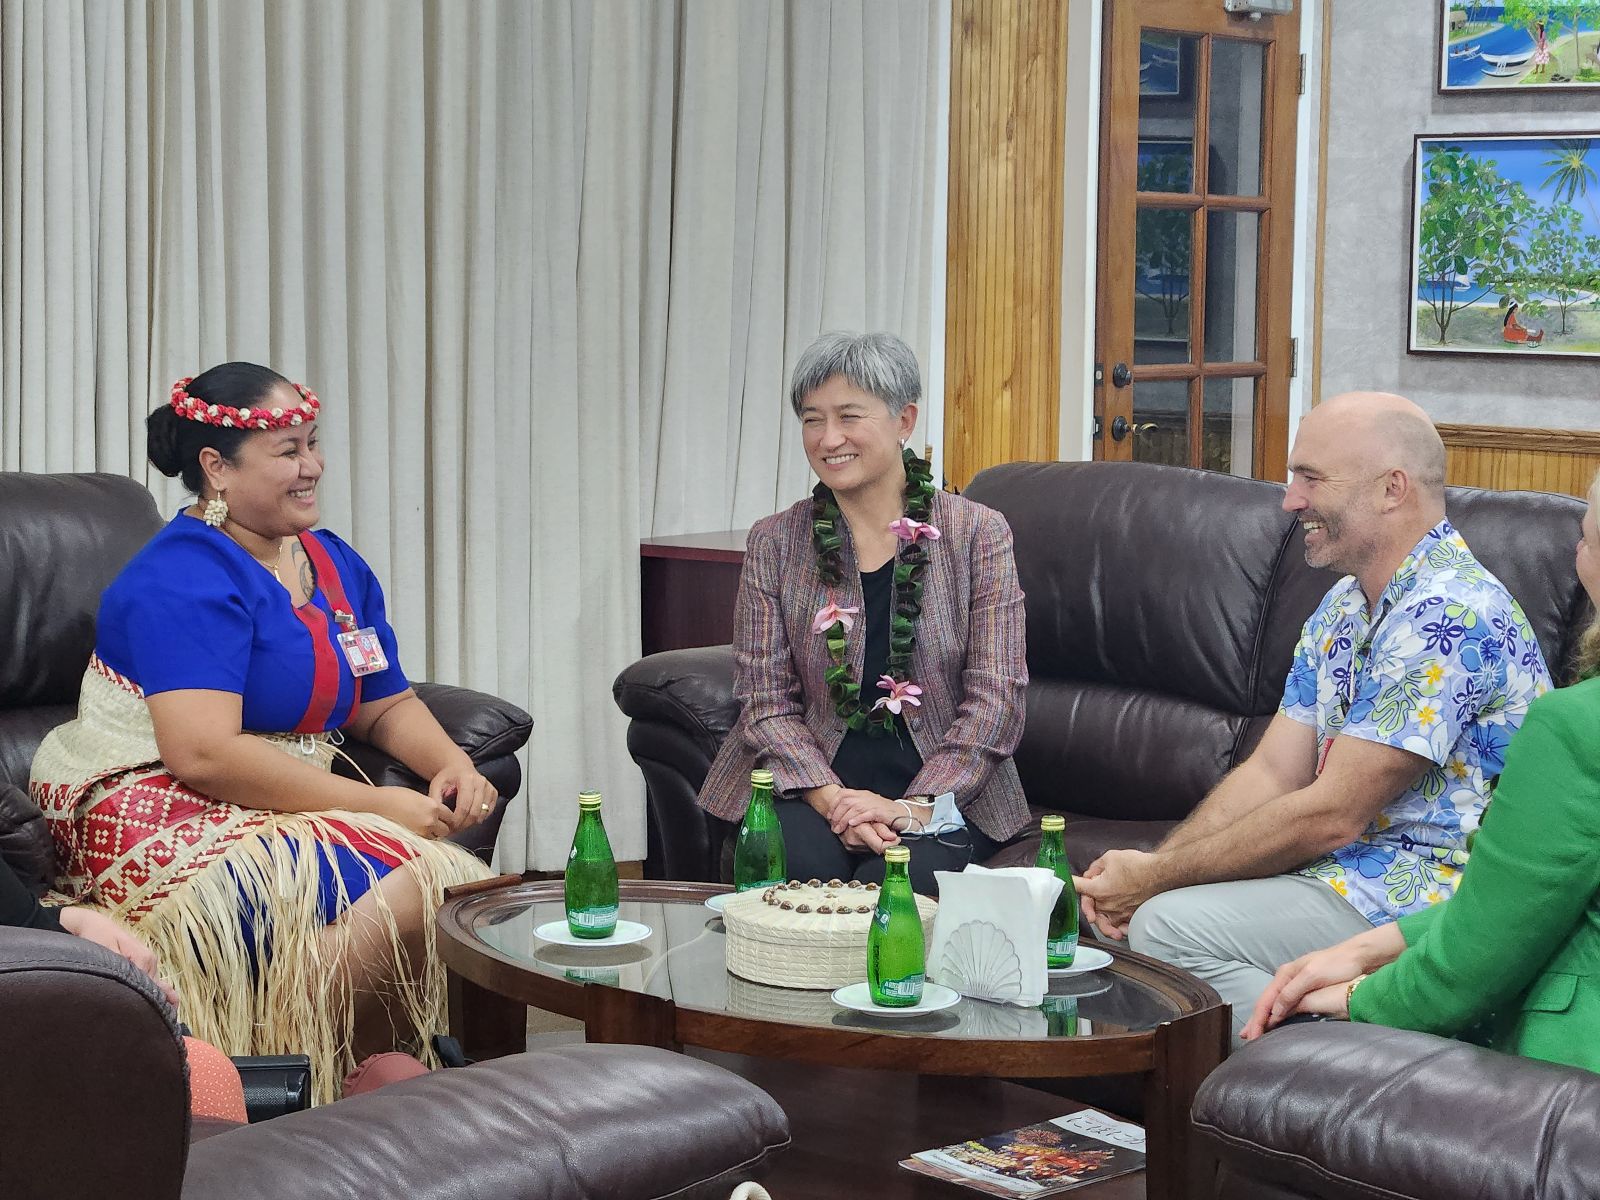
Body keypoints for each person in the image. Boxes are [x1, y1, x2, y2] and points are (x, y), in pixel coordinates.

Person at [30, 363, 494, 1101]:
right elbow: (203, 752)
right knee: (419, 887)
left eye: (311, 443)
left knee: (467, 895)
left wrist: (451, 764)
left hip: (265, 790)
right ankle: (282, 1065)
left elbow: (378, 697)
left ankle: (367, 1071)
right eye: (286, 451)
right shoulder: (182, 575)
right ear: (215, 468)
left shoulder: (332, 563)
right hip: (161, 798)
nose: (311, 467)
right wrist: (374, 807)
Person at [1074, 392, 1551, 1040]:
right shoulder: (1345, 605)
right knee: (1155, 917)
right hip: (1344, 883)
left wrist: (1154, 885)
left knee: (1170, 930)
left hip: (1431, 900)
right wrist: (1151, 872)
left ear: (1392, 489)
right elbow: (1272, 771)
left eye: (1311, 477)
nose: (1289, 500)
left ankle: (1358, 1077)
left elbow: (1333, 814)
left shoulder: (1448, 612)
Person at [1242, 469, 1600, 1068]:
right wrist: (1369, 948)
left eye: (1586, 540)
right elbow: (1522, 902)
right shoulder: (1340, 606)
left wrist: (1356, 998)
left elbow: (1475, 964)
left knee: (1295, 1026)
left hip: (1566, 1090)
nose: (1575, 554)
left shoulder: (1572, 727)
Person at [697, 332, 1030, 895]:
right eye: (811, 419)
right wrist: (835, 802)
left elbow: (997, 699)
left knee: (897, 891)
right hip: (806, 787)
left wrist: (911, 810)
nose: (829, 439)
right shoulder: (775, 542)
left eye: (850, 416)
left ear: (905, 420)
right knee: (797, 877)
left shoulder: (978, 534)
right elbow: (765, 700)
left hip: (944, 795)